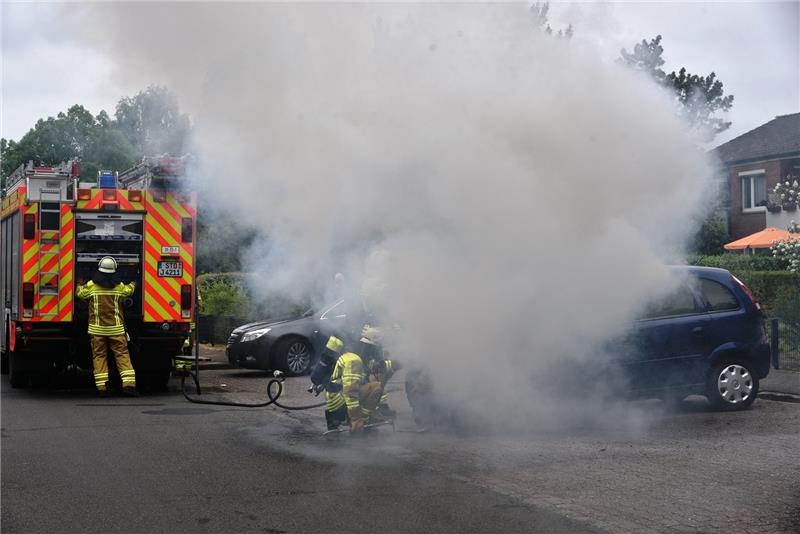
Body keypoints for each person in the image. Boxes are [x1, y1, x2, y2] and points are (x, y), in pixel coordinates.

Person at [76, 256, 138, 397]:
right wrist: (135, 282)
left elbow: (80, 293)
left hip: (96, 330)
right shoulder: (119, 287)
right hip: (116, 329)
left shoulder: (91, 286)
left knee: (99, 356)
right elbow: (129, 290)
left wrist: (79, 284)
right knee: (122, 355)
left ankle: (102, 387)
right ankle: (129, 385)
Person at [324, 335, 384, 433]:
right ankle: (359, 420)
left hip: (337, 397)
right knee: (377, 387)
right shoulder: (354, 360)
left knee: (371, 386)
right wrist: (356, 419)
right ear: (369, 348)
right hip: (340, 399)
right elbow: (350, 391)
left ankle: (360, 418)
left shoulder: (354, 357)